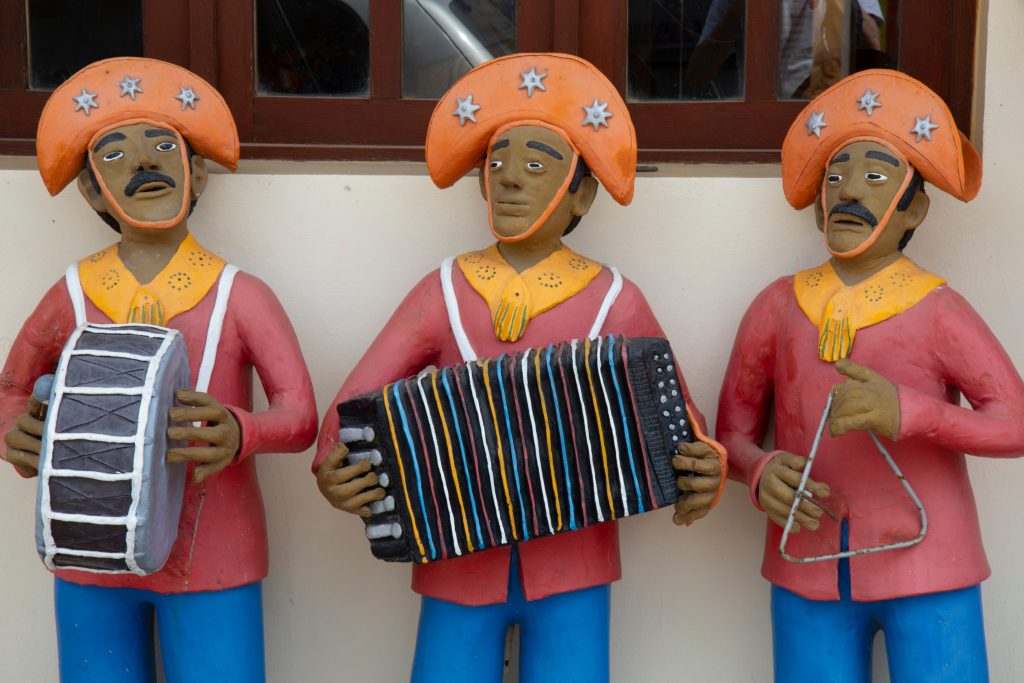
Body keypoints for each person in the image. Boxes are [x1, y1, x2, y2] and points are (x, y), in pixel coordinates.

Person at [313, 53, 726, 682]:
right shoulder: (444, 290)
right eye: (496, 164)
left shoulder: (614, 299)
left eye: (536, 166)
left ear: (582, 192)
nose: (509, 180)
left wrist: (703, 465)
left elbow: (679, 422)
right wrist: (335, 467)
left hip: (574, 564)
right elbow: (351, 407)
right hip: (454, 557)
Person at [0, 57, 318, 683]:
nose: (144, 163)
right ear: (93, 191)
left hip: (214, 553)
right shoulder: (72, 294)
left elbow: (301, 414)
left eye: (163, 147)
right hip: (87, 549)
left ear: (197, 174)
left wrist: (242, 430)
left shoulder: (240, 295)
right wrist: (14, 431)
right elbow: (11, 387)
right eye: (115, 155)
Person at [717, 68, 1024, 682]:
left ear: (915, 212)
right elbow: (730, 435)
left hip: (932, 565)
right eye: (835, 177)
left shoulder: (938, 309)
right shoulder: (777, 305)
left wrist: (911, 413)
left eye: (876, 177)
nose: (849, 190)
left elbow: (1014, 423)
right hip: (807, 564)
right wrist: (759, 470)